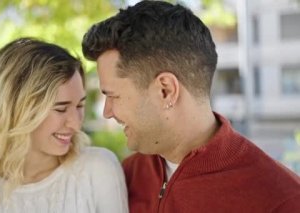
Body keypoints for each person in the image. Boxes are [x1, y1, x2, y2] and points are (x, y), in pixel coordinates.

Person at [82, 1, 300, 212]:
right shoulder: (126, 176)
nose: (107, 112)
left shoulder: (282, 200)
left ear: (165, 90)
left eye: (113, 96)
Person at [0, 37, 128, 213]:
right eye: (61, 109)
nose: (75, 122)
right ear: (17, 109)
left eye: (79, 105)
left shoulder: (98, 170)